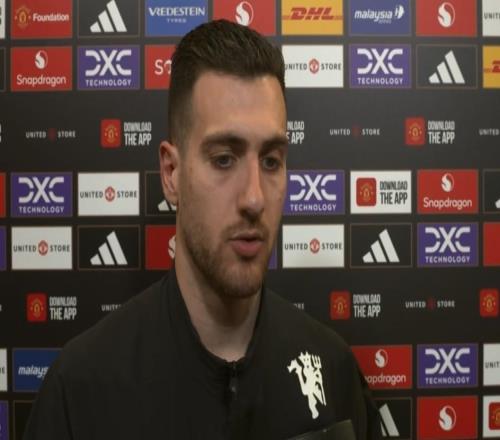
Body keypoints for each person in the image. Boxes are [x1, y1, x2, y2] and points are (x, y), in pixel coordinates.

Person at [24, 20, 381, 440]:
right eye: (224, 159)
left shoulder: (334, 372)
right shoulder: (81, 389)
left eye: (271, 161)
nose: (254, 198)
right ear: (171, 173)